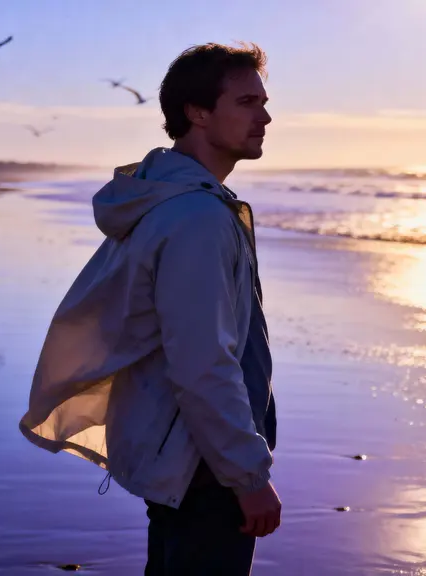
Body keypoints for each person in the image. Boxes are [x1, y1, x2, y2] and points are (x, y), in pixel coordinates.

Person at [18, 42, 279, 575]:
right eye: (248, 101)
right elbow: (203, 361)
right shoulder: (196, 219)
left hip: (185, 452)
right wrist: (249, 476)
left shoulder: (171, 202)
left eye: (264, 101)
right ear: (198, 112)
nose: (266, 116)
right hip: (204, 465)